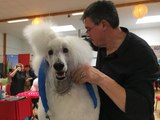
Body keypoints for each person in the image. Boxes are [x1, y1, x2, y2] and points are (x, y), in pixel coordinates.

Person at [72, 1, 159, 120]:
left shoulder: (142, 54)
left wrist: (99, 77)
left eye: (89, 29)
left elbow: (142, 109)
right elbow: (81, 43)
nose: (87, 34)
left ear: (103, 25)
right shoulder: (102, 43)